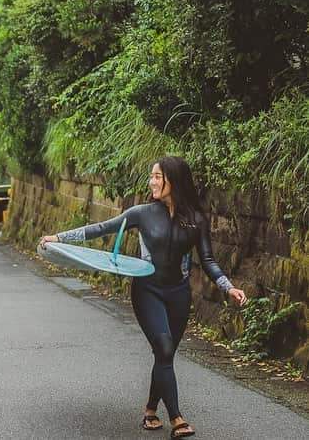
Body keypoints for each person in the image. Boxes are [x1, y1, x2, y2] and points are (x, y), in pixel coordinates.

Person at [39, 156, 246, 439]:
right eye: (152, 176)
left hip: (179, 293)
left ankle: (151, 409)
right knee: (162, 347)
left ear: (175, 180)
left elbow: (207, 260)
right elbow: (101, 228)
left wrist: (228, 287)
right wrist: (59, 238)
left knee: (166, 354)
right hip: (147, 290)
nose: (152, 182)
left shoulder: (196, 220)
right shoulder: (142, 213)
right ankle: (177, 418)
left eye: (158, 176)